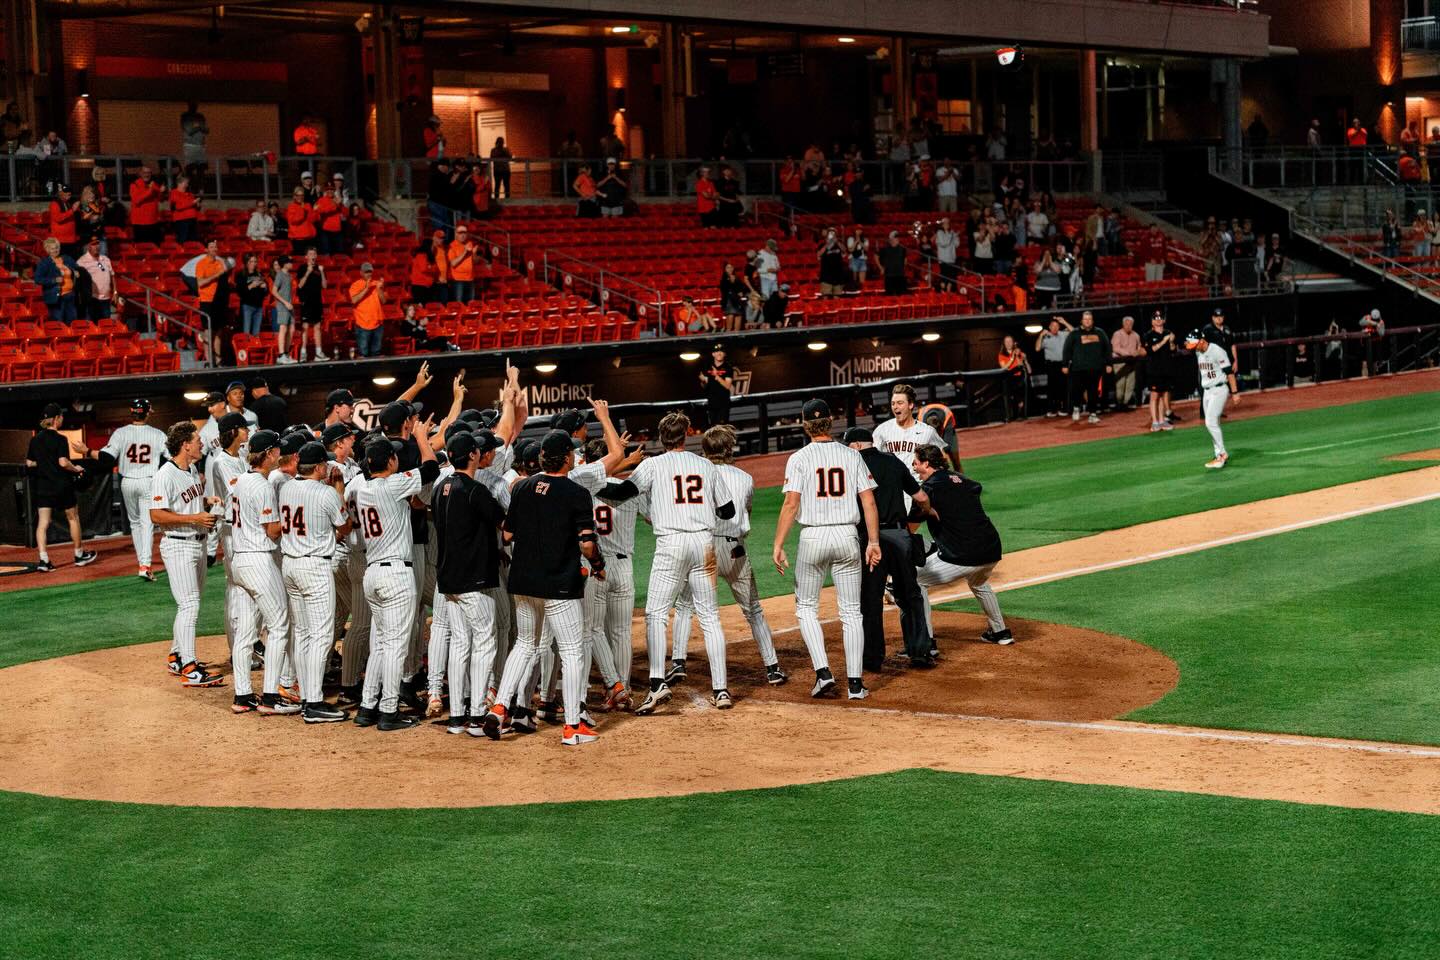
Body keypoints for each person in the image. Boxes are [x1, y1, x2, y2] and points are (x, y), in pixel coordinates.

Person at [480, 429, 603, 745]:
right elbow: (587, 545)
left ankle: (498, 708)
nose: (575, 455)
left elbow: (507, 536)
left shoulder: (521, 488)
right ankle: (573, 726)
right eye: (572, 452)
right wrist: (599, 565)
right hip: (558, 584)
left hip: (523, 582)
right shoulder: (576, 493)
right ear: (565, 458)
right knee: (573, 651)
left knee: (524, 644)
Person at [773, 399, 882, 700]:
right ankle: (856, 685)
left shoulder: (799, 458)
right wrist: (872, 541)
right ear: (831, 422)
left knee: (806, 607)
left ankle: (823, 673)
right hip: (848, 536)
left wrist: (779, 543)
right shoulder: (851, 455)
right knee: (851, 612)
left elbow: (791, 503)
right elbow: (869, 501)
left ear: (804, 424)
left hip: (814, 538)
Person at [668, 426, 787, 686]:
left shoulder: (696, 473)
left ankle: (678, 663)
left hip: (704, 550)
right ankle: (773, 667)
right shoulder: (744, 477)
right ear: (729, 449)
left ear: (705, 450)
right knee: (753, 609)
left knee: (686, 606)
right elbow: (747, 509)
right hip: (735, 550)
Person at [349, 423, 440, 731]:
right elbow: (430, 468)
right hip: (395, 576)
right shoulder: (392, 485)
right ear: (389, 461)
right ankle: (388, 710)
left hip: (373, 574)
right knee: (395, 646)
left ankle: (367, 707)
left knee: (382, 644)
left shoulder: (363, 490)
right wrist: (421, 438)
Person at [432, 430, 507, 734]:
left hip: (448, 579)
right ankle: (477, 714)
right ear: (474, 455)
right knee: (484, 644)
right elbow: (504, 522)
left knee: (461, 644)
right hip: (473, 580)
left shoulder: (440, 487)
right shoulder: (474, 490)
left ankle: (456, 717)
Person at [277, 442, 353, 723]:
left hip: (290, 565)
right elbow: (344, 526)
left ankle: (308, 696)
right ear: (320, 467)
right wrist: (339, 491)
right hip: (314, 567)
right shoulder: (326, 493)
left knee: (305, 634)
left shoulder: (285, 488)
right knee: (321, 635)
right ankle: (314, 702)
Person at [844, 426, 931, 670]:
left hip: (869, 541)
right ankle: (920, 651)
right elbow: (921, 498)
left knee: (870, 600)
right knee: (910, 595)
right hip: (900, 535)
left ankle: (872, 659)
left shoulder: (852, 464)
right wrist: (912, 523)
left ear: (856, 446)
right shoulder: (892, 461)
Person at [911, 444, 1012, 647]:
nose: (914, 468)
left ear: (926, 463)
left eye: (916, 463)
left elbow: (912, 520)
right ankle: (1001, 632)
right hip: (992, 549)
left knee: (915, 580)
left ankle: (926, 642)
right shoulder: (964, 480)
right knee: (979, 583)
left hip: (963, 555)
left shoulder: (929, 489)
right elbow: (975, 488)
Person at [149, 420, 223, 687]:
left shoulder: (191, 468)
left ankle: (176, 656)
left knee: (190, 603)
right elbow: (156, 515)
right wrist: (195, 518)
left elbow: (184, 502)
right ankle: (190, 668)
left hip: (198, 544)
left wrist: (206, 502)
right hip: (179, 544)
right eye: (197, 439)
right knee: (189, 605)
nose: (201, 442)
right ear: (185, 445)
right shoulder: (164, 474)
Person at [93, 399, 166, 580]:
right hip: (148, 481)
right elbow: (170, 458)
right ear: (148, 412)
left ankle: (142, 562)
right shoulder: (157, 434)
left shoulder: (120, 433)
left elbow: (106, 458)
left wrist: (87, 451)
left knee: (135, 524)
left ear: (132, 412)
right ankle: (145, 564)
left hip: (127, 482)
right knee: (147, 524)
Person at [26, 403, 95, 572]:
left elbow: (29, 463)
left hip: (43, 485)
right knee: (73, 518)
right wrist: (76, 468)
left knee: (43, 523)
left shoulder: (35, 440)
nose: (62, 419)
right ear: (56, 419)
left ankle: (44, 561)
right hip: (61, 485)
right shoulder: (60, 439)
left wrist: (43, 464)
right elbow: (63, 462)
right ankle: (79, 555)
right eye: (61, 416)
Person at [1184, 329, 1238, 470]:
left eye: (1195, 345)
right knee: (1214, 423)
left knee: (1210, 422)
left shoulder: (1217, 351)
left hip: (1219, 389)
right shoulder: (1198, 351)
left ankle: (1222, 454)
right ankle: (1218, 455)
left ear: (1202, 341)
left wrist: (1235, 392)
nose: (1193, 348)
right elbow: (1187, 345)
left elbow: (1229, 372)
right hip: (1207, 392)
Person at [872, 383, 950, 474]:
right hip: (894, 486)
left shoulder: (927, 431)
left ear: (910, 405)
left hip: (920, 485)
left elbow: (943, 459)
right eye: (893, 403)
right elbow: (873, 460)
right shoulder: (881, 430)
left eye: (900, 403)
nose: (895, 407)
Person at [1062, 310, 1111, 424]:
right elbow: (1067, 349)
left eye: (1089, 319)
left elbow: (1107, 348)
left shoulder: (1100, 332)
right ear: (1081, 321)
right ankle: (1076, 408)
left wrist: (1109, 363)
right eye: (1085, 319)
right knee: (1077, 391)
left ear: (1092, 321)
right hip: (1078, 368)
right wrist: (1065, 365)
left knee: (1093, 392)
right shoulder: (1074, 333)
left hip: (1095, 368)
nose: (1087, 321)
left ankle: (1092, 414)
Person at [1141, 311, 1177, 433]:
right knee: (1154, 395)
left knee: (1162, 395)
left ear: (1164, 320)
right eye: (1155, 318)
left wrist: (1171, 341)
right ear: (1152, 321)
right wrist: (1163, 341)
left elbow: (1173, 350)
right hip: (1154, 370)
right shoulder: (1148, 335)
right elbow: (1150, 350)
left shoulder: (1168, 333)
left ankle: (1162, 421)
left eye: (1160, 317)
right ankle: (1155, 422)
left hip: (1166, 369)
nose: (1158, 320)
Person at [35, 236, 79, 322]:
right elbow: (38, 279)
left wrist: (75, 272)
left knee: (72, 321)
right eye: (52, 249)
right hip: (55, 298)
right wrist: (54, 280)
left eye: (57, 248)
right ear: (47, 250)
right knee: (59, 322)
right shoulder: (44, 263)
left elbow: (77, 267)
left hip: (70, 295)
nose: (55, 250)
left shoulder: (67, 258)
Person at [76, 236, 119, 321]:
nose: (96, 246)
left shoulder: (105, 259)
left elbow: (112, 275)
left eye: (97, 244)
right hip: (92, 299)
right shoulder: (81, 262)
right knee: (93, 325)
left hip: (106, 299)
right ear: (88, 246)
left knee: (106, 325)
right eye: (93, 244)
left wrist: (115, 292)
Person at [349, 261, 386, 358]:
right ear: (361, 273)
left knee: (376, 353)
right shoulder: (356, 285)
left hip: (378, 323)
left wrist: (379, 289)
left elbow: (384, 301)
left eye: (370, 271)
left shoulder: (377, 283)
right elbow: (354, 300)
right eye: (366, 272)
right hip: (363, 324)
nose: (368, 274)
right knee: (363, 354)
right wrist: (366, 289)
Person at [295, 247, 327, 361]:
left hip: (317, 301)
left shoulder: (319, 268)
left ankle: (318, 353)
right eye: (310, 254)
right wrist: (308, 272)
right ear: (306, 257)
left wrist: (322, 272)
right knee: (305, 327)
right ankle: (303, 353)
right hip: (306, 301)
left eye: (314, 253)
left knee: (317, 327)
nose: (313, 255)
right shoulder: (302, 268)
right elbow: (300, 285)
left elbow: (324, 286)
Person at [1110, 315, 1144, 410]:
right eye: (1127, 324)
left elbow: (1139, 347)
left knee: (1130, 384)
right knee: (1120, 384)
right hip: (1120, 362)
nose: (1128, 326)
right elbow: (1115, 348)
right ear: (1123, 324)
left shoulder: (1136, 335)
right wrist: (1129, 354)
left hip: (1132, 363)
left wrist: (1137, 352)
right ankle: (1119, 403)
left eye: (1130, 324)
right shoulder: (1117, 334)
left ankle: (1125, 404)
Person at [698, 342, 735, 426]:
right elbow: (704, 386)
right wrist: (703, 381)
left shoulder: (728, 367)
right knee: (713, 429)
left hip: (723, 404)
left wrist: (716, 376)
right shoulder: (708, 367)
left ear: (724, 354)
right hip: (711, 403)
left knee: (721, 429)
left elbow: (727, 386)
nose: (719, 353)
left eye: (721, 351)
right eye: (717, 351)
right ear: (713, 354)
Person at [269, 256, 295, 363]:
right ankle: (281, 355)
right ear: (285, 264)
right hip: (283, 305)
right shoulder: (280, 275)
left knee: (292, 329)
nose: (292, 264)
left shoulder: (288, 275)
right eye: (290, 262)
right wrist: (285, 302)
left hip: (289, 305)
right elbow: (273, 291)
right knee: (283, 329)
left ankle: (286, 354)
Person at [997, 334, 1030, 419]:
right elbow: (1004, 367)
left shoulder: (1018, 352)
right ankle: (1012, 415)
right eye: (1006, 342)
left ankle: (1021, 413)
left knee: (1021, 394)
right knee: (1011, 396)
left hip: (1020, 379)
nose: (1008, 343)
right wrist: (1012, 357)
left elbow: (1027, 369)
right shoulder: (1001, 355)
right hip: (1009, 380)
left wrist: (1024, 359)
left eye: (1010, 341)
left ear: (1013, 343)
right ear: (1004, 344)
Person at [235, 253, 267, 336]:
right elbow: (239, 292)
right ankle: (246, 348)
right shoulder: (241, 275)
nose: (253, 263)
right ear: (246, 262)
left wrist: (265, 287)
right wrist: (251, 285)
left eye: (255, 261)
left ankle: (254, 348)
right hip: (247, 306)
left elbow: (266, 293)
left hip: (259, 307)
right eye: (251, 261)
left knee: (256, 334)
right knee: (246, 333)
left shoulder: (259, 274)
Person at [315, 176, 345, 255]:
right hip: (326, 231)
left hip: (337, 231)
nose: (330, 191)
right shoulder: (321, 200)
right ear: (325, 190)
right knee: (326, 253)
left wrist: (341, 204)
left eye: (331, 189)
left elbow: (346, 214)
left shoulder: (337, 199)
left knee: (339, 254)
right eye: (328, 189)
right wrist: (335, 204)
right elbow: (322, 211)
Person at [447, 225, 477, 303]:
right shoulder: (452, 246)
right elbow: (453, 263)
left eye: (464, 232)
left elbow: (474, 261)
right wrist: (465, 252)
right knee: (459, 304)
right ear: (456, 234)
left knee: (471, 304)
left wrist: (474, 254)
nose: (463, 235)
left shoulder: (470, 243)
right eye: (460, 233)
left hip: (470, 278)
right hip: (458, 280)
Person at [286, 186, 317, 258]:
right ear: (294, 196)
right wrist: (302, 209)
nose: (300, 197)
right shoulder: (291, 206)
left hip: (309, 238)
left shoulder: (308, 205)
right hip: (298, 239)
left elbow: (312, 220)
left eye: (302, 195)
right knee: (300, 260)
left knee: (311, 259)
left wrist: (314, 211)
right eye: (298, 195)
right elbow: (295, 220)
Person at [169, 176, 200, 245]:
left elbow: (196, 207)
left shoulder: (190, 194)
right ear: (179, 184)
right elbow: (178, 207)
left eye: (187, 183)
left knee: (193, 240)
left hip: (192, 220)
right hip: (181, 221)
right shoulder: (174, 193)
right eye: (185, 183)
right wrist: (192, 203)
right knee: (183, 240)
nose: (187, 185)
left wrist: (197, 205)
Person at [877, 231, 908, 295]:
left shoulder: (902, 249)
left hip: (900, 275)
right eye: (895, 238)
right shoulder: (885, 249)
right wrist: (881, 268)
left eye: (897, 238)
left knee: (900, 294)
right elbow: (875, 256)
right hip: (889, 275)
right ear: (891, 239)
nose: (897, 239)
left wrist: (903, 268)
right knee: (889, 294)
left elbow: (905, 260)